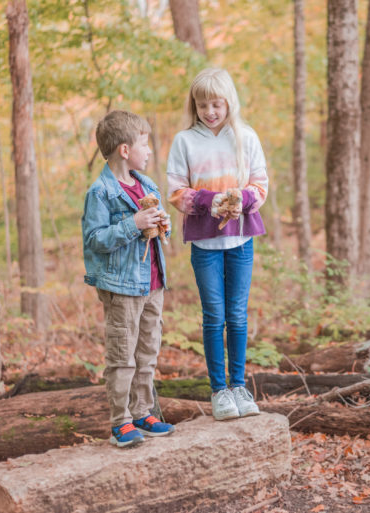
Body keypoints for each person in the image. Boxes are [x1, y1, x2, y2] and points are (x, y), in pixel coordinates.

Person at [167, 68, 268, 421]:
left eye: (216, 104)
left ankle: (239, 385)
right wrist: (208, 201)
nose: (210, 111)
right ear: (194, 105)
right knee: (214, 316)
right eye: (202, 104)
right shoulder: (185, 141)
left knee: (237, 315)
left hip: (240, 240)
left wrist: (243, 199)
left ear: (229, 103)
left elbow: (260, 184)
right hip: (205, 246)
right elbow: (176, 191)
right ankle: (219, 391)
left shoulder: (246, 137)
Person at [82, 110, 175, 447]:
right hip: (122, 288)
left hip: (153, 282)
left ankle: (143, 412)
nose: (149, 150)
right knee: (123, 355)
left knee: (148, 350)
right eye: (144, 143)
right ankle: (120, 422)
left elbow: (155, 233)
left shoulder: (147, 185)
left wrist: (161, 224)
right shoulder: (101, 193)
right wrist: (131, 224)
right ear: (124, 149)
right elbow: (94, 240)